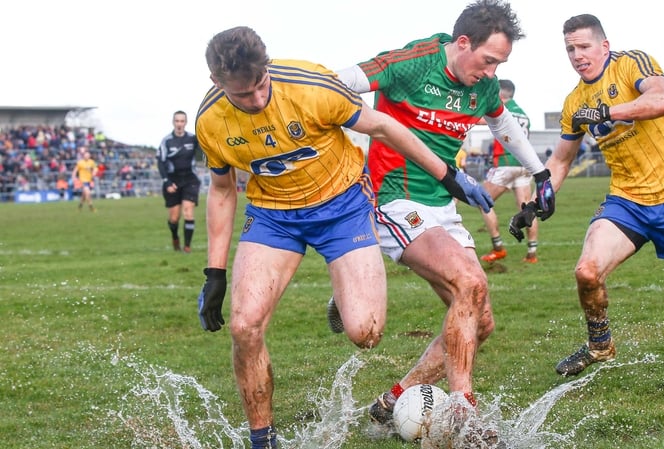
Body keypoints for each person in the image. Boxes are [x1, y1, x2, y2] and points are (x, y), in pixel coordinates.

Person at [194, 26, 493, 449]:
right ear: (217, 83)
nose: (257, 100)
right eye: (243, 96)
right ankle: (262, 438)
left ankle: (344, 289)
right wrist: (214, 272)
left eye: (262, 85)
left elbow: (385, 127)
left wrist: (448, 174)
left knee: (365, 333)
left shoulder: (311, 86)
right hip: (273, 216)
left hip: (343, 207)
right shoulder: (210, 120)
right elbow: (223, 191)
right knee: (244, 327)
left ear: (267, 67)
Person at [332, 0, 555, 433]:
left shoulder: (484, 85)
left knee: (480, 320)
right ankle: (465, 415)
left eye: (501, 64)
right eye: (489, 60)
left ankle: (391, 402)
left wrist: (540, 172)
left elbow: (504, 126)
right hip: (395, 198)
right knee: (470, 284)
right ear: (463, 43)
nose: (492, 72)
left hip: (444, 205)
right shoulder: (413, 63)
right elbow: (341, 83)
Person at [521, 13, 664, 377]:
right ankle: (600, 345)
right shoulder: (574, 103)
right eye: (570, 49)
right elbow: (562, 159)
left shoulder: (633, 62)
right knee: (587, 271)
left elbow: (663, 99)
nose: (576, 55)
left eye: (583, 46)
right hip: (627, 200)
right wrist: (536, 201)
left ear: (604, 46)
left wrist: (607, 110)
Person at [479, 79, 540, 264]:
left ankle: (498, 248)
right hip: (524, 165)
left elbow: (477, 119)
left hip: (505, 163)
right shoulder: (523, 114)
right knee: (526, 208)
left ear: (500, 94)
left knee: (483, 202)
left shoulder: (502, 110)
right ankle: (532, 253)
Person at [157, 110, 202, 253]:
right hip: (173, 180)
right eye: (177, 121)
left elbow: (203, 153)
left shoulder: (193, 139)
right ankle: (175, 237)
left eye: (182, 121)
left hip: (190, 179)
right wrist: (167, 182)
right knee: (174, 217)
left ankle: (187, 247)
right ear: (173, 122)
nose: (179, 124)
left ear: (186, 123)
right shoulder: (167, 141)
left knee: (188, 212)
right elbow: (160, 162)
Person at [71, 147, 97, 211]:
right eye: (86, 155)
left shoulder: (92, 162)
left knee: (84, 195)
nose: (87, 156)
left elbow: (95, 168)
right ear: (83, 156)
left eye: (88, 155)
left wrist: (94, 172)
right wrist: (73, 177)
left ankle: (80, 206)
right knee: (88, 193)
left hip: (89, 180)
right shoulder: (80, 163)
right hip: (82, 180)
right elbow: (75, 170)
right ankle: (91, 207)